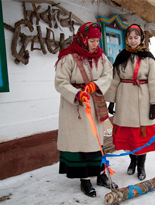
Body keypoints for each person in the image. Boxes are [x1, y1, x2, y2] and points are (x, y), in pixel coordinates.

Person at [54, 22, 118, 198]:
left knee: (96, 140)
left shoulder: (101, 56)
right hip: (75, 107)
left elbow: (108, 74)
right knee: (80, 142)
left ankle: (100, 174)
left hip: (95, 102)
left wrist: (96, 85)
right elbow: (60, 82)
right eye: (92, 40)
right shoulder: (67, 57)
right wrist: (77, 93)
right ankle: (84, 179)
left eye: (97, 40)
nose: (95, 44)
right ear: (83, 39)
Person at [105, 24, 155, 181]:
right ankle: (132, 162)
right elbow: (115, 79)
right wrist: (111, 101)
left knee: (141, 136)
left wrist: (154, 105)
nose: (133, 40)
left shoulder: (149, 58)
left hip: (143, 98)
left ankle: (141, 165)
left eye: (136, 38)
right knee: (130, 136)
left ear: (141, 38)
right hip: (124, 99)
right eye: (130, 38)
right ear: (126, 39)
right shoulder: (121, 57)